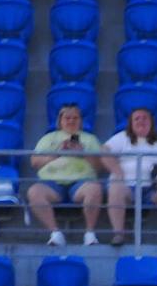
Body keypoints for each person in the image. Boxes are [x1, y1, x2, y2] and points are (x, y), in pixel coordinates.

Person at [27, 103, 113, 246]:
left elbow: (101, 166)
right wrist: (57, 153)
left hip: (81, 182)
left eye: (75, 118)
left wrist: (82, 153)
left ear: (81, 121)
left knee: (95, 189)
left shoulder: (90, 139)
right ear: (60, 121)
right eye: (67, 118)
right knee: (34, 192)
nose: (71, 121)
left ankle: (90, 234)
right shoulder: (49, 138)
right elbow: (34, 162)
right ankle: (55, 234)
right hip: (51, 183)